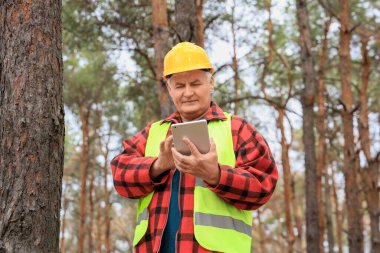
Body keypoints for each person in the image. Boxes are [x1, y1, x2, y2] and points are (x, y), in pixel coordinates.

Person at [111, 42, 278, 253]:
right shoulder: (154, 132)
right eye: (179, 86)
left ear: (211, 83)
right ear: (170, 89)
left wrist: (216, 175)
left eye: (195, 83)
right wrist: (158, 165)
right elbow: (119, 174)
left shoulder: (237, 129)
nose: (187, 92)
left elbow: (263, 185)